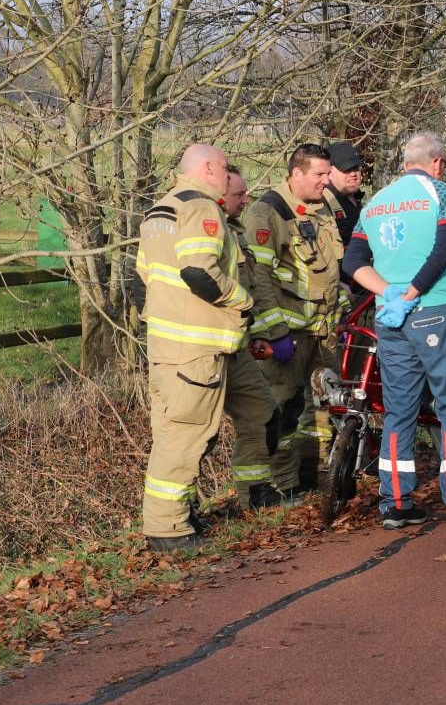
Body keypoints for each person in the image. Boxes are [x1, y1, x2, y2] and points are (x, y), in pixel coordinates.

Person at [342, 131, 446, 532]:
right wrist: (413, 292)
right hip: (436, 311)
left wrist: (389, 294)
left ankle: (395, 503)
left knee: (399, 411)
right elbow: (444, 248)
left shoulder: (376, 201)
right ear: (438, 163)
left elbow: (353, 260)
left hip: (390, 318)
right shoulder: (442, 194)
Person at [136, 144, 279, 551]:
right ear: (211, 167)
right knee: (184, 437)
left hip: (206, 346)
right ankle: (168, 530)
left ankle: (255, 492)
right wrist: (242, 300)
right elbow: (198, 270)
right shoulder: (201, 207)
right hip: (195, 349)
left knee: (260, 412)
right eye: (223, 169)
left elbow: (142, 278)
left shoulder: (161, 210)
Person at [242, 143, 344, 494]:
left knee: (322, 409)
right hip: (290, 335)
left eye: (328, 174)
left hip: (324, 330)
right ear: (296, 173)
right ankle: (282, 484)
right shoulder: (266, 213)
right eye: (319, 174)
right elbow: (259, 277)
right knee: (283, 411)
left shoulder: (326, 206)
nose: (326, 181)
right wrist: (275, 330)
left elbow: (331, 269)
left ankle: (314, 476)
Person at [321, 141, 368, 247]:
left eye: (356, 168)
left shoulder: (357, 199)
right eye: (346, 169)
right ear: (330, 171)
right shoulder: (322, 202)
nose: (353, 174)